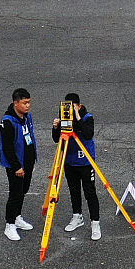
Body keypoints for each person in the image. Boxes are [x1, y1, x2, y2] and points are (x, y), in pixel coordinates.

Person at [51, 93, 102, 240]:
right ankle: (77, 216)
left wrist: (77, 117)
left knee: (90, 192)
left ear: (79, 106)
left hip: (86, 163)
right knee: (74, 191)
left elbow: (87, 134)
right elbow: (57, 139)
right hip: (69, 162)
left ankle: (95, 223)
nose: (70, 111)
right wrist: (55, 127)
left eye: (73, 107)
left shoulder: (87, 117)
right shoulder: (64, 117)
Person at [0, 87, 37, 242]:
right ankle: (10, 224)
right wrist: (17, 167)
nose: (27, 106)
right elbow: (7, 148)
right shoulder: (7, 122)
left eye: (29, 102)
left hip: (28, 162)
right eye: (24, 103)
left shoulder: (26, 117)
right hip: (16, 166)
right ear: (16, 103)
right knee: (15, 193)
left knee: (23, 190)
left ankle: (17, 216)